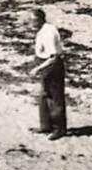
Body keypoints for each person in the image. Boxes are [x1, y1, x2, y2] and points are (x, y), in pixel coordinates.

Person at [29, 8, 68, 140]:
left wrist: (37, 69)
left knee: (56, 98)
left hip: (52, 66)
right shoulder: (42, 30)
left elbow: (54, 57)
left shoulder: (49, 32)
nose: (30, 23)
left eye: (33, 20)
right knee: (44, 96)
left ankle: (59, 129)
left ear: (40, 19)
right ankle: (46, 126)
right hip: (44, 65)